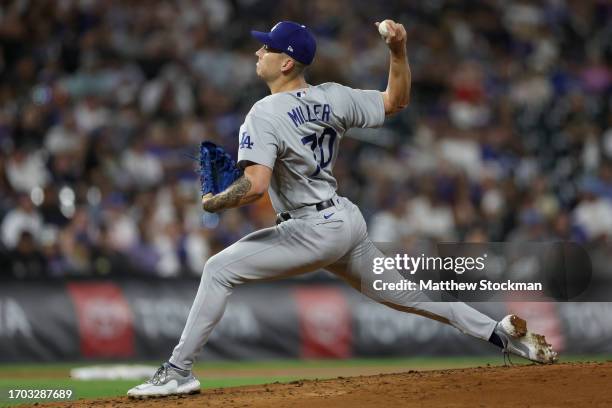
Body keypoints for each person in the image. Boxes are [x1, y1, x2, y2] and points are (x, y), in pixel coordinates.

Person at [128, 20, 557, 398]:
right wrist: (398, 51)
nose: (259, 51)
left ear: (286, 63)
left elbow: (255, 188)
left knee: (218, 270)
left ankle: (178, 371)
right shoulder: (333, 97)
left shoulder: (263, 113)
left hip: (310, 229)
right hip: (344, 222)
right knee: (408, 294)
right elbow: (396, 101)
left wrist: (213, 201)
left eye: (267, 47)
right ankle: (499, 334)